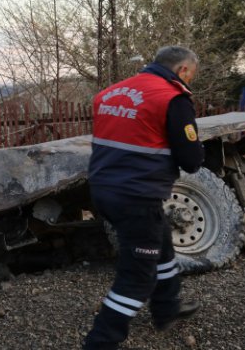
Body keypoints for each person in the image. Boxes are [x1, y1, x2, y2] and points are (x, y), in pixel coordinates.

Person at [83, 46, 205, 350]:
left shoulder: (110, 93)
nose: (191, 81)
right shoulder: (172, 98)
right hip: (137, 196)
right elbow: (191, 160)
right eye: (192, 75)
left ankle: (167, 308)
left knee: (159, 236)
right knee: (137, 276)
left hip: (102, 190)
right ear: (183, 71)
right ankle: (101, 341)